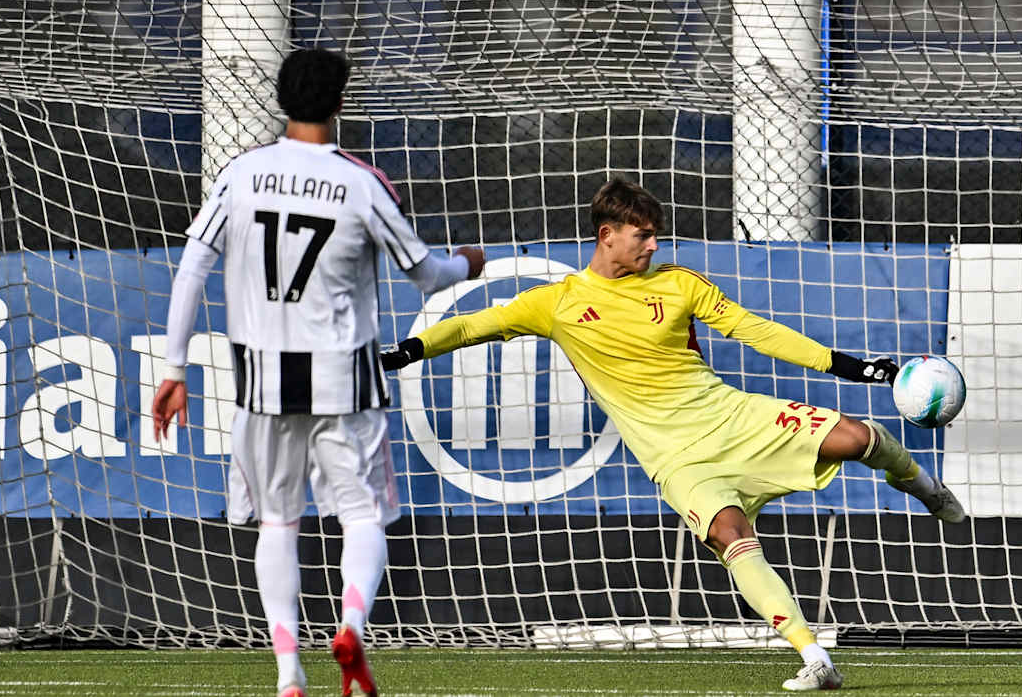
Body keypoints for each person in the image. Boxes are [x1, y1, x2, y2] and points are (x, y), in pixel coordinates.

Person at [379, 177, 964, 692]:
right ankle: (815, 657)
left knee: (859, 439)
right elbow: (472, 325)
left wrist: (853, 366)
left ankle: (920, 484)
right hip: (676, 459)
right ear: (608, 235)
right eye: (643, 236)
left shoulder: (678, 285)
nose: (654, 245)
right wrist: (405, 351)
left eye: (655, 235)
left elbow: (756, 331)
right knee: (731, 537)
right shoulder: (558, 304)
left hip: (732, 418)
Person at [152, 48, 485, 697]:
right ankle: (352, 626)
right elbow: (426, 275)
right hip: (345, 376)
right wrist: (467, 264)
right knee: (362, 516)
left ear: (281, 99)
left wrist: (174, 367)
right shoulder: (361, 182)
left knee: (278, 522)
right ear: (340, 102)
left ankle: (287, 674)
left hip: (262, 378)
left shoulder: (241, 174)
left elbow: (192, 267)